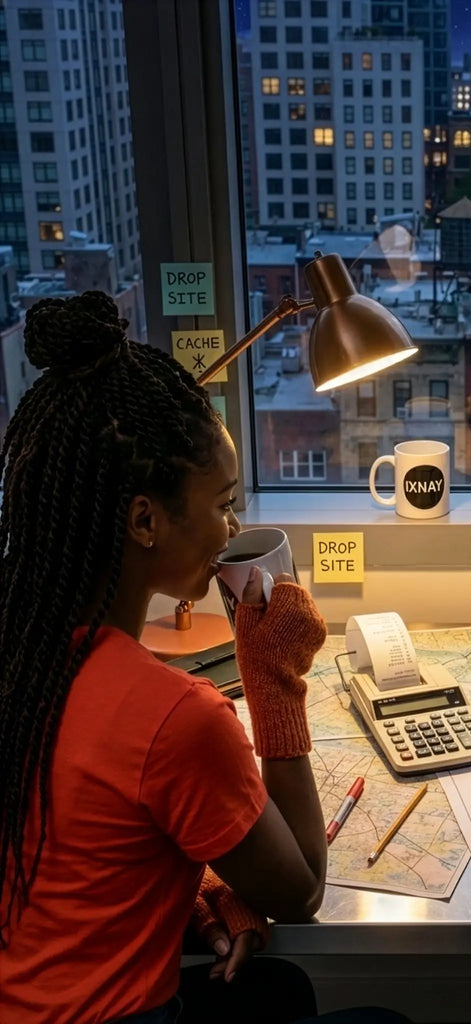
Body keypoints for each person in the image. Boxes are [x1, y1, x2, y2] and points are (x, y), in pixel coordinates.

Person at [0, 291, 332, 1024]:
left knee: (282, 994)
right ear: (145, 519)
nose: (234, 526)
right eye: (222, 504)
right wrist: (275, 682)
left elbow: (69, 858)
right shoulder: (176, 719)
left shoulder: (21, 660)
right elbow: (302, 890)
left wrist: (183, 891)